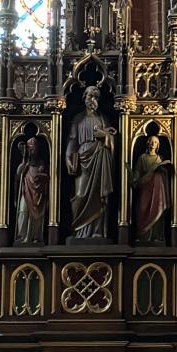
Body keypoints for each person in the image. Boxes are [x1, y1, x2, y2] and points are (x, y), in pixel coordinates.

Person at [64, 86, 116, 241]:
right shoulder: (78, 119)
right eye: (90, 96)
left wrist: (105, 136)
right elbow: (72, 141)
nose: (92, 100)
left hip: (100, 158)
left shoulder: (103, 118)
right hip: (82, 160)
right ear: (84, 98)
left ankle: (97, 232)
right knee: (79, 195)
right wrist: (68, 158)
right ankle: (79, 232)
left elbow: (113, 141)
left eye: (95, 97)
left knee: (99, 197)